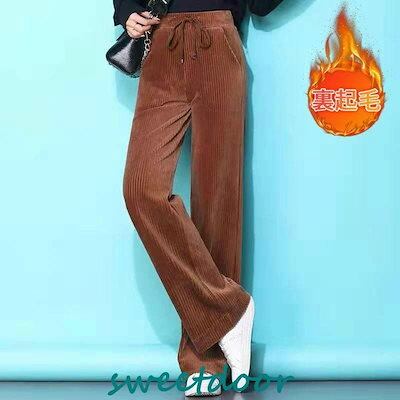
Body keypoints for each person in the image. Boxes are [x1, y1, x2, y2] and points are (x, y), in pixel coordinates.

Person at [112, 0, 283, 396]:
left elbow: (260, 6)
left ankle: (206, 362)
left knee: (216, 203)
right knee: (140, 189)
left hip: (218, 42)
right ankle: (231, 310)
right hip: (161, 44)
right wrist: (126, 10)